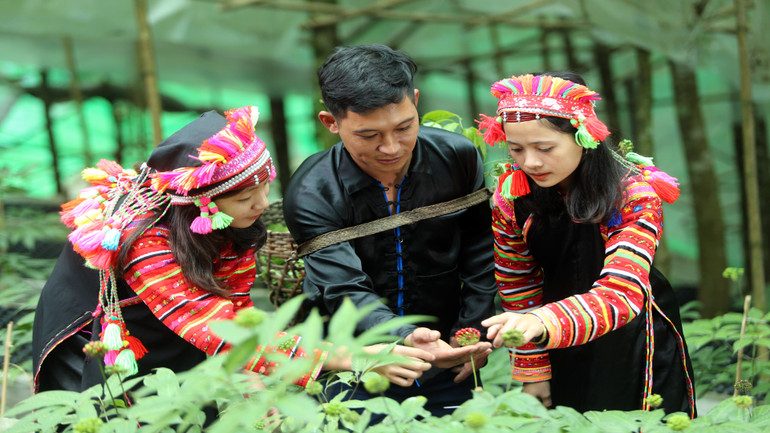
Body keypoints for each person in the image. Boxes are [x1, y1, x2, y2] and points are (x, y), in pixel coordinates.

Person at [31, 106, 435, 403]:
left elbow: (235, 309)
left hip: (188, 317)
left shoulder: (232, 224)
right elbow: (216, 328)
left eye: (265, 187)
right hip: (106, 332)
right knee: (128, 409)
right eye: (245, 197)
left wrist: (253, 383)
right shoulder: (146, 243)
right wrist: (349, 357)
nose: (262, 204)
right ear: (202, 203)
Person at [282, 44, 497, 417]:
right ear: (331, 122)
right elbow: (343, 289)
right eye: (369, 135)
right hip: (357, 361)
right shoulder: (311, 192)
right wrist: (404, 335)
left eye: (404, 126)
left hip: (448, 353)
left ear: (416, 102)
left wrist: (470, 332)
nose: (392, 147)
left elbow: (479, 247)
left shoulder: (458, 157)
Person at [477, 72, 696, 416]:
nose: (530, 162)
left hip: (633, 339)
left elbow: (622, 293)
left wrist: (542, 321)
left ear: (584, 136)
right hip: (551, 336)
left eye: (544, 148)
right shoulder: (511, 199)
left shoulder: (634, 196)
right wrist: (533, 371)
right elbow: (518, 284)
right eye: (516, 149)